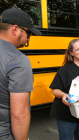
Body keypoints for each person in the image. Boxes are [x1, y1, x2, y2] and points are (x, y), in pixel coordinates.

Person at [0, 8, 42, 140]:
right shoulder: (18, 60)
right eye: (28, 33)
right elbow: (19, 115)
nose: (28, 39)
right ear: (15, 29)